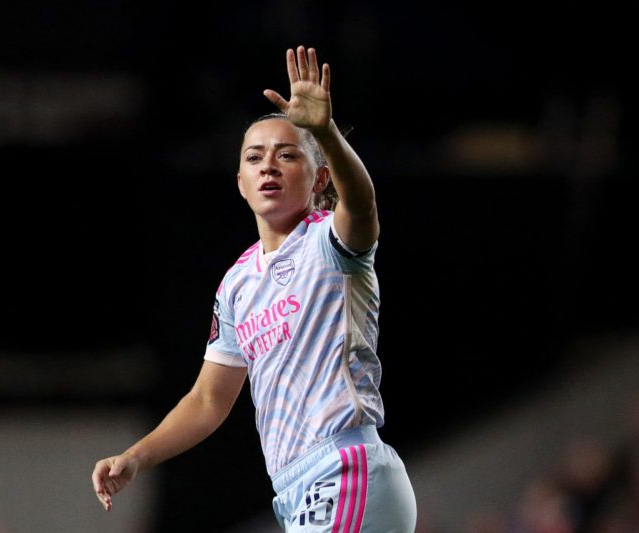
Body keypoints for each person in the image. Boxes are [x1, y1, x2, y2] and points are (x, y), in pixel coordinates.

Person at [92, 45, 417, 532]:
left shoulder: (330, 242)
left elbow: (363, 203)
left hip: (345, 469)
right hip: (294, 489)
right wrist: (137, 456)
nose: (269, 165)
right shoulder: (238, 284)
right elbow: (207, 401)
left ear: (318, 178)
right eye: (254, 157)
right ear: (241, 182)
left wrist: (324, 131)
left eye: (287, 155)